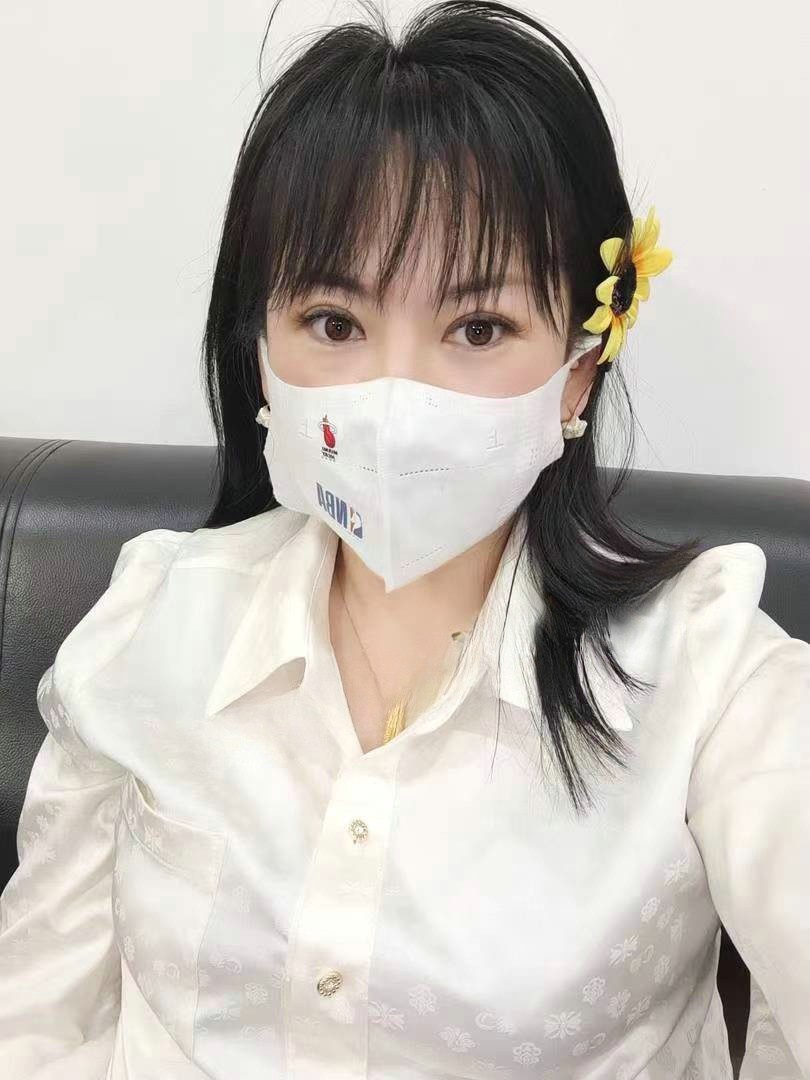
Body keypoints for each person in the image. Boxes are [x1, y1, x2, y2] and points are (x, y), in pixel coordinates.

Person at [1, 1, 808, 1077]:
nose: (395, 399)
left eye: (478, 328)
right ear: (262, 351)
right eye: (335, 324)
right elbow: (37, 1019)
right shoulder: (151, 619)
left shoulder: (712, 681)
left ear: (577, 372)